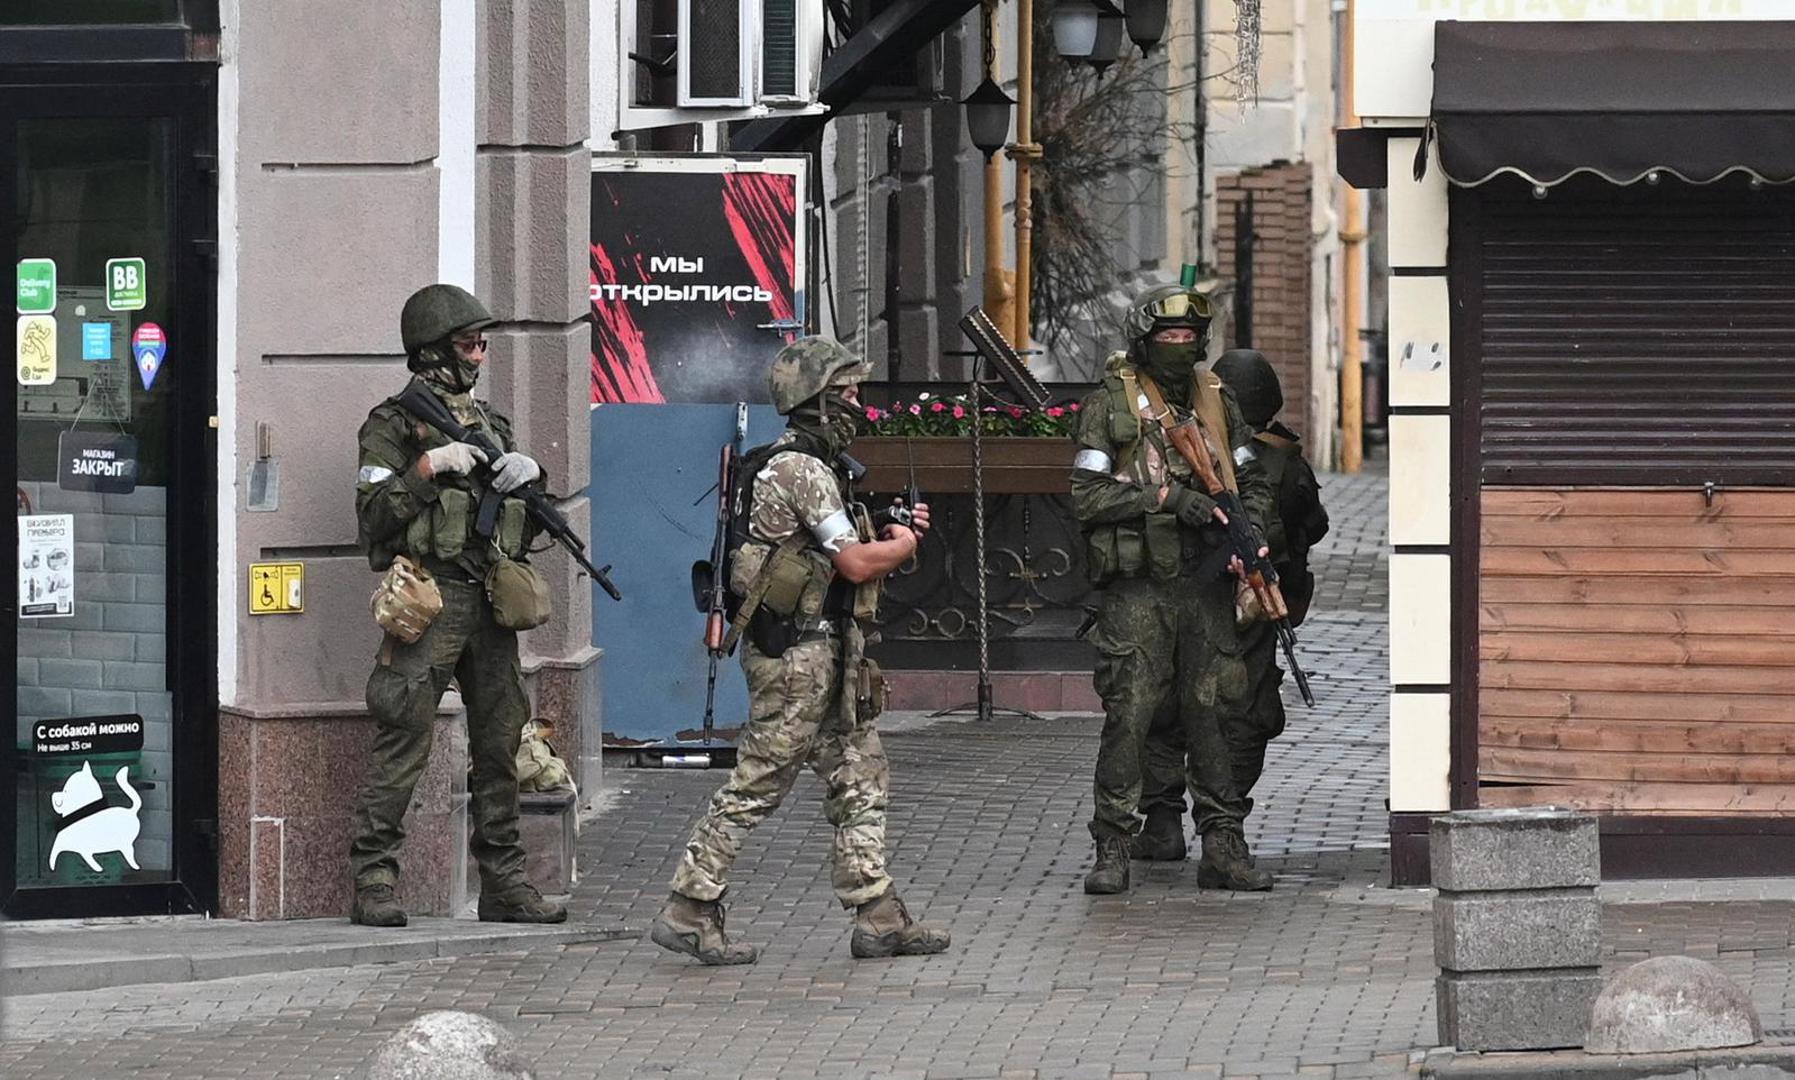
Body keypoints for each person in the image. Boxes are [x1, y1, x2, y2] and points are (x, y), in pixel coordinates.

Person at [650, 336, 952, 965]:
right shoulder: (801, 469)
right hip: (796, 660)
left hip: (824, 653)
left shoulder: (816, 466)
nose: (856, 405)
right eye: (845, 394)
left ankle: (878, 916)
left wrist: (889, 533)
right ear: (814, 401)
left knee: (860, 773)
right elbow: (855, 562)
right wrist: (902, 547)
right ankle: (689, 906)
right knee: (759, 780)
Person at [347, 283, 566, 927]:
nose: (481, 354)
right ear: (435, 353)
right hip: (428, 602)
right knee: (404, 738)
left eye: (482, 343)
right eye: (471, 344)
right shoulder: (392, 425)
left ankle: (504, 883)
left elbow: (522, 526)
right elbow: (372, 518)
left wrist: (530, 479)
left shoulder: (490, 424)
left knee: (500, 744)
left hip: (489, 605)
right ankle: (375, 881)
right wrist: (428, 467)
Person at [1070, 286, 1277, 895]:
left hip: (1206, 585)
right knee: (1130, 716)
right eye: (1169, 338)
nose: (1180, 349)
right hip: (1140, 591)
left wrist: (1252, 534)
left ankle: (1223, 843)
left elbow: (1252, 479)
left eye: (1190, 339)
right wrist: (1164, 498)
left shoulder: (1218, 401)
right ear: (1145, 342)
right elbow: (1086, 495)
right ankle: (1113, 844)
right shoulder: (1111, 406)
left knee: (1215, 714)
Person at [1134, 349, 1330, 866]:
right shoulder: (1285, 464)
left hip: (1186, 603)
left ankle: (1161, 823)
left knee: (1167, 709)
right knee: (1247, 713)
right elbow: (1313, 528)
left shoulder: (1181, 449)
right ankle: (1225, 828)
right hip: (1251, 611)